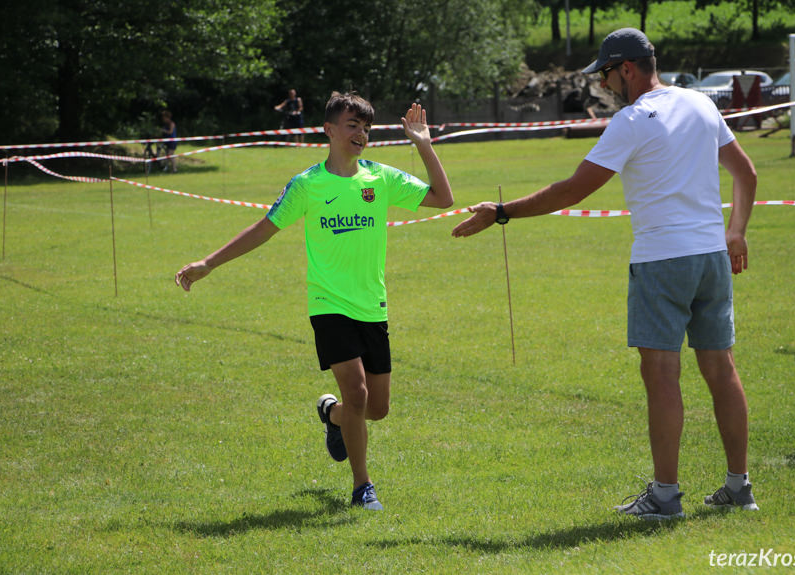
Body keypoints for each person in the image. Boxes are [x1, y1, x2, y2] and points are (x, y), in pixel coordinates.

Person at [452, 28, 758, 520]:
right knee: (721, 370)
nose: (607, 83)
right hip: (711, 259)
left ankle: (664, 497)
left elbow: (573, 191)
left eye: (609, 74)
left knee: (661, 375)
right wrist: (736, 231)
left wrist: (502, 212)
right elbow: (747, 173)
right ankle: (739, 489)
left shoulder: (631, 120)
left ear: (628, 69)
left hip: (662, 260)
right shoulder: (702, 105)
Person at [175, 93, 452, 510]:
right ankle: (363, 488)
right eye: (352, 125)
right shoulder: (307, 184)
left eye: (366, 127)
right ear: (329, 129)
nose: (360, 134)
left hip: (372, 306)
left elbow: (442, 198)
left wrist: (423, 144)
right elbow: (264, 228)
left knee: (376, 410)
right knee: (357, 394)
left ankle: (332, 415)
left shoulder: (379, 178)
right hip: (327, 304)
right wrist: (209, 262)